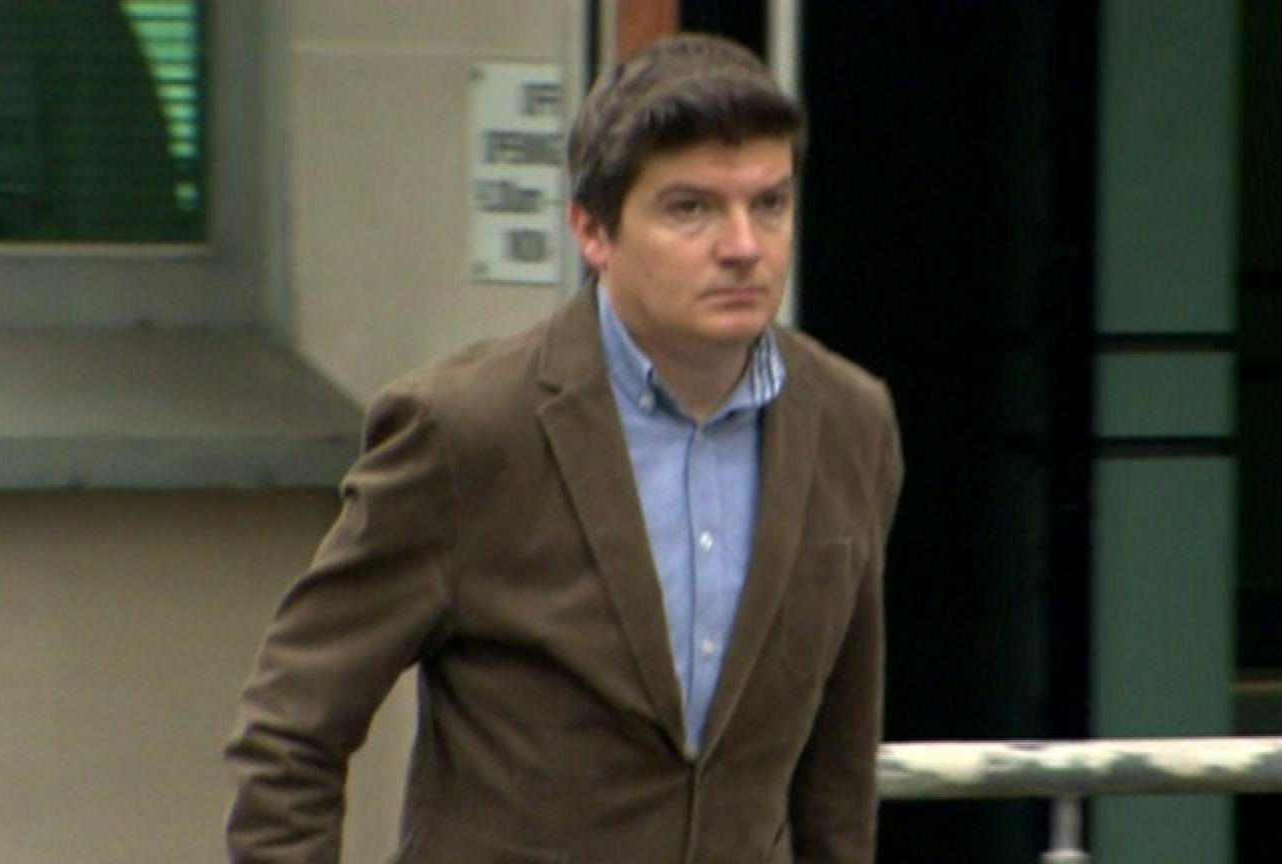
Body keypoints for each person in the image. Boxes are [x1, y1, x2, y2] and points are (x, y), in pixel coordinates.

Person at [225, 33, 903, 864]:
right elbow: (292, 730)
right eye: (690, 208)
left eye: (769, 203)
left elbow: (836, 773)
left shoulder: (849, 422)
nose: (743, 246)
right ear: (593, 230)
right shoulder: (465, 431)